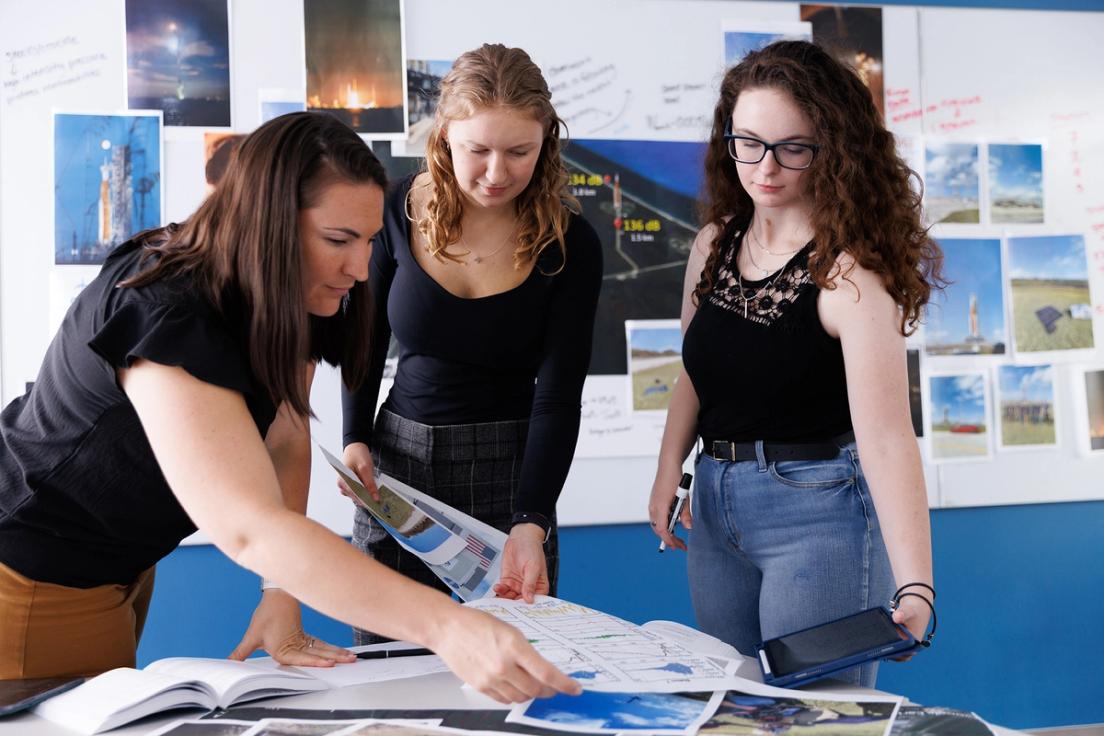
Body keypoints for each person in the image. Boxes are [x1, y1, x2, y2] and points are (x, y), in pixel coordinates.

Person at [0, 111, 580, 704]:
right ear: (269, 224)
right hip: (29, 573)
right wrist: (450, 627)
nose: (360, 270)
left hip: (117, 566)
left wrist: (280, 591)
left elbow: (284, 431)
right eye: (338, 241)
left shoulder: (283, 292)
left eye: (370, 241)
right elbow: (249, 528)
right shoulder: (167, 311)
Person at [647, 41, 941, 687]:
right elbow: (699, 369)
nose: (766, 167)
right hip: (716, 507)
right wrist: (669, 467)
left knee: (814, 725)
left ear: (832, 149)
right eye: (748, 142)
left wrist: (917, 585)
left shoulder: (850, 276)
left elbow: (888, 438)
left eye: (793, 148)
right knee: (728, 712)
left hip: (819, 517)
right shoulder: (713, 242)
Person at [341, 44, 602, 642]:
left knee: (504, 675)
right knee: (389, 668)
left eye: (519, 152)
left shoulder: (571, 243)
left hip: (513, 477)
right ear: (444, 138)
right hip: (396, 468)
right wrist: (355, 438)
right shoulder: (394, 210)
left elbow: (559, 394)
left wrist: (531, 522)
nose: (496, 172)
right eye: (476, 150)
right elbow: (364, 338)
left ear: (547, 144)